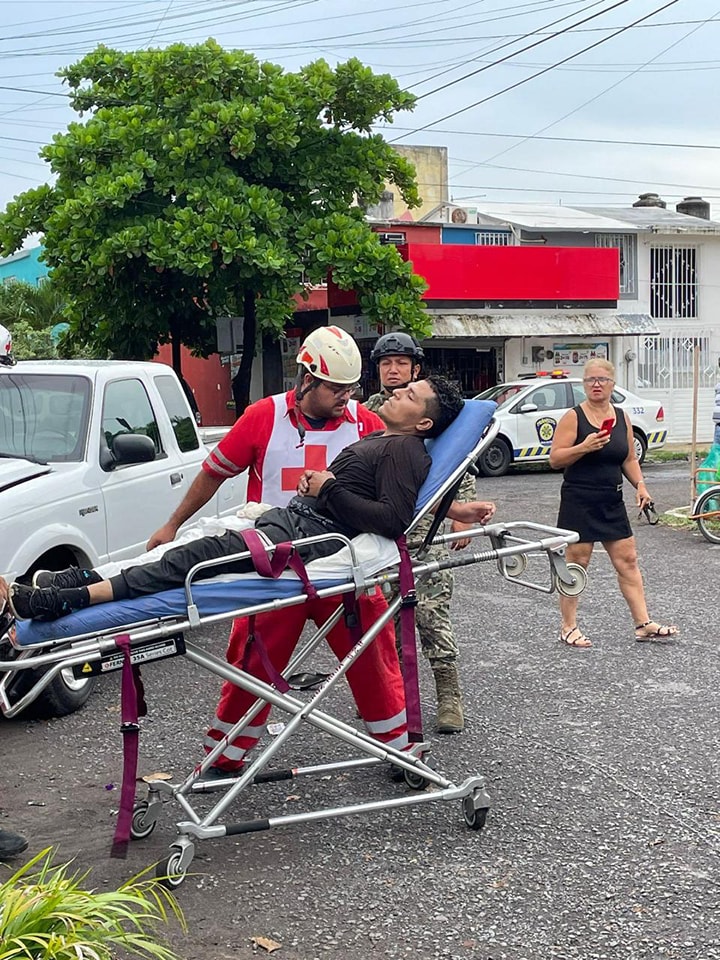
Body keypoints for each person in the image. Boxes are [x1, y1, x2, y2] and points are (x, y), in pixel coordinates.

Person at [144, 325, 412, 771]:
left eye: (350, 389)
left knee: (374, 658)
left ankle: (402, 750)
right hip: (273, 567)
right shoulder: (262, 417)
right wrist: (173, 525)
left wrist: (458, 511)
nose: (345, 397)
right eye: (335, 389)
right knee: (252, 663)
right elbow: (214, 472)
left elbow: (398, 488)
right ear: (306, 378)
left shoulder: (367, 425)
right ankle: (227, 757)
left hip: (343, 565)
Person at [365, 332, 477, 734]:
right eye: (385, 363)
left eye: (401, 363)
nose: (393, 370)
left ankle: (449, 696)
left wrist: (460, 516)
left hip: (424, 539)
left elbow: (459, 464)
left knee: (432, 619)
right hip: (378, 537)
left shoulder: (433, 411)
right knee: (383, 626)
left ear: (415, 370)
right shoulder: (367, 413)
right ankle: (391, 699)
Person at [549, 358, 678, 648]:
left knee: (628, 560)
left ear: (613, 384)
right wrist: (584, 447)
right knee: (577, 563)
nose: (596, 385)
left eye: (602, 380)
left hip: (611, 498)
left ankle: (643, 624)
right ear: (584, 385)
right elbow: (555, 459)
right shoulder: (574, 417)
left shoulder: (622, 417)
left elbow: (628, 458)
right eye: (590, 380)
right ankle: (568, 626)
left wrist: (641, 485)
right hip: (579, 498)